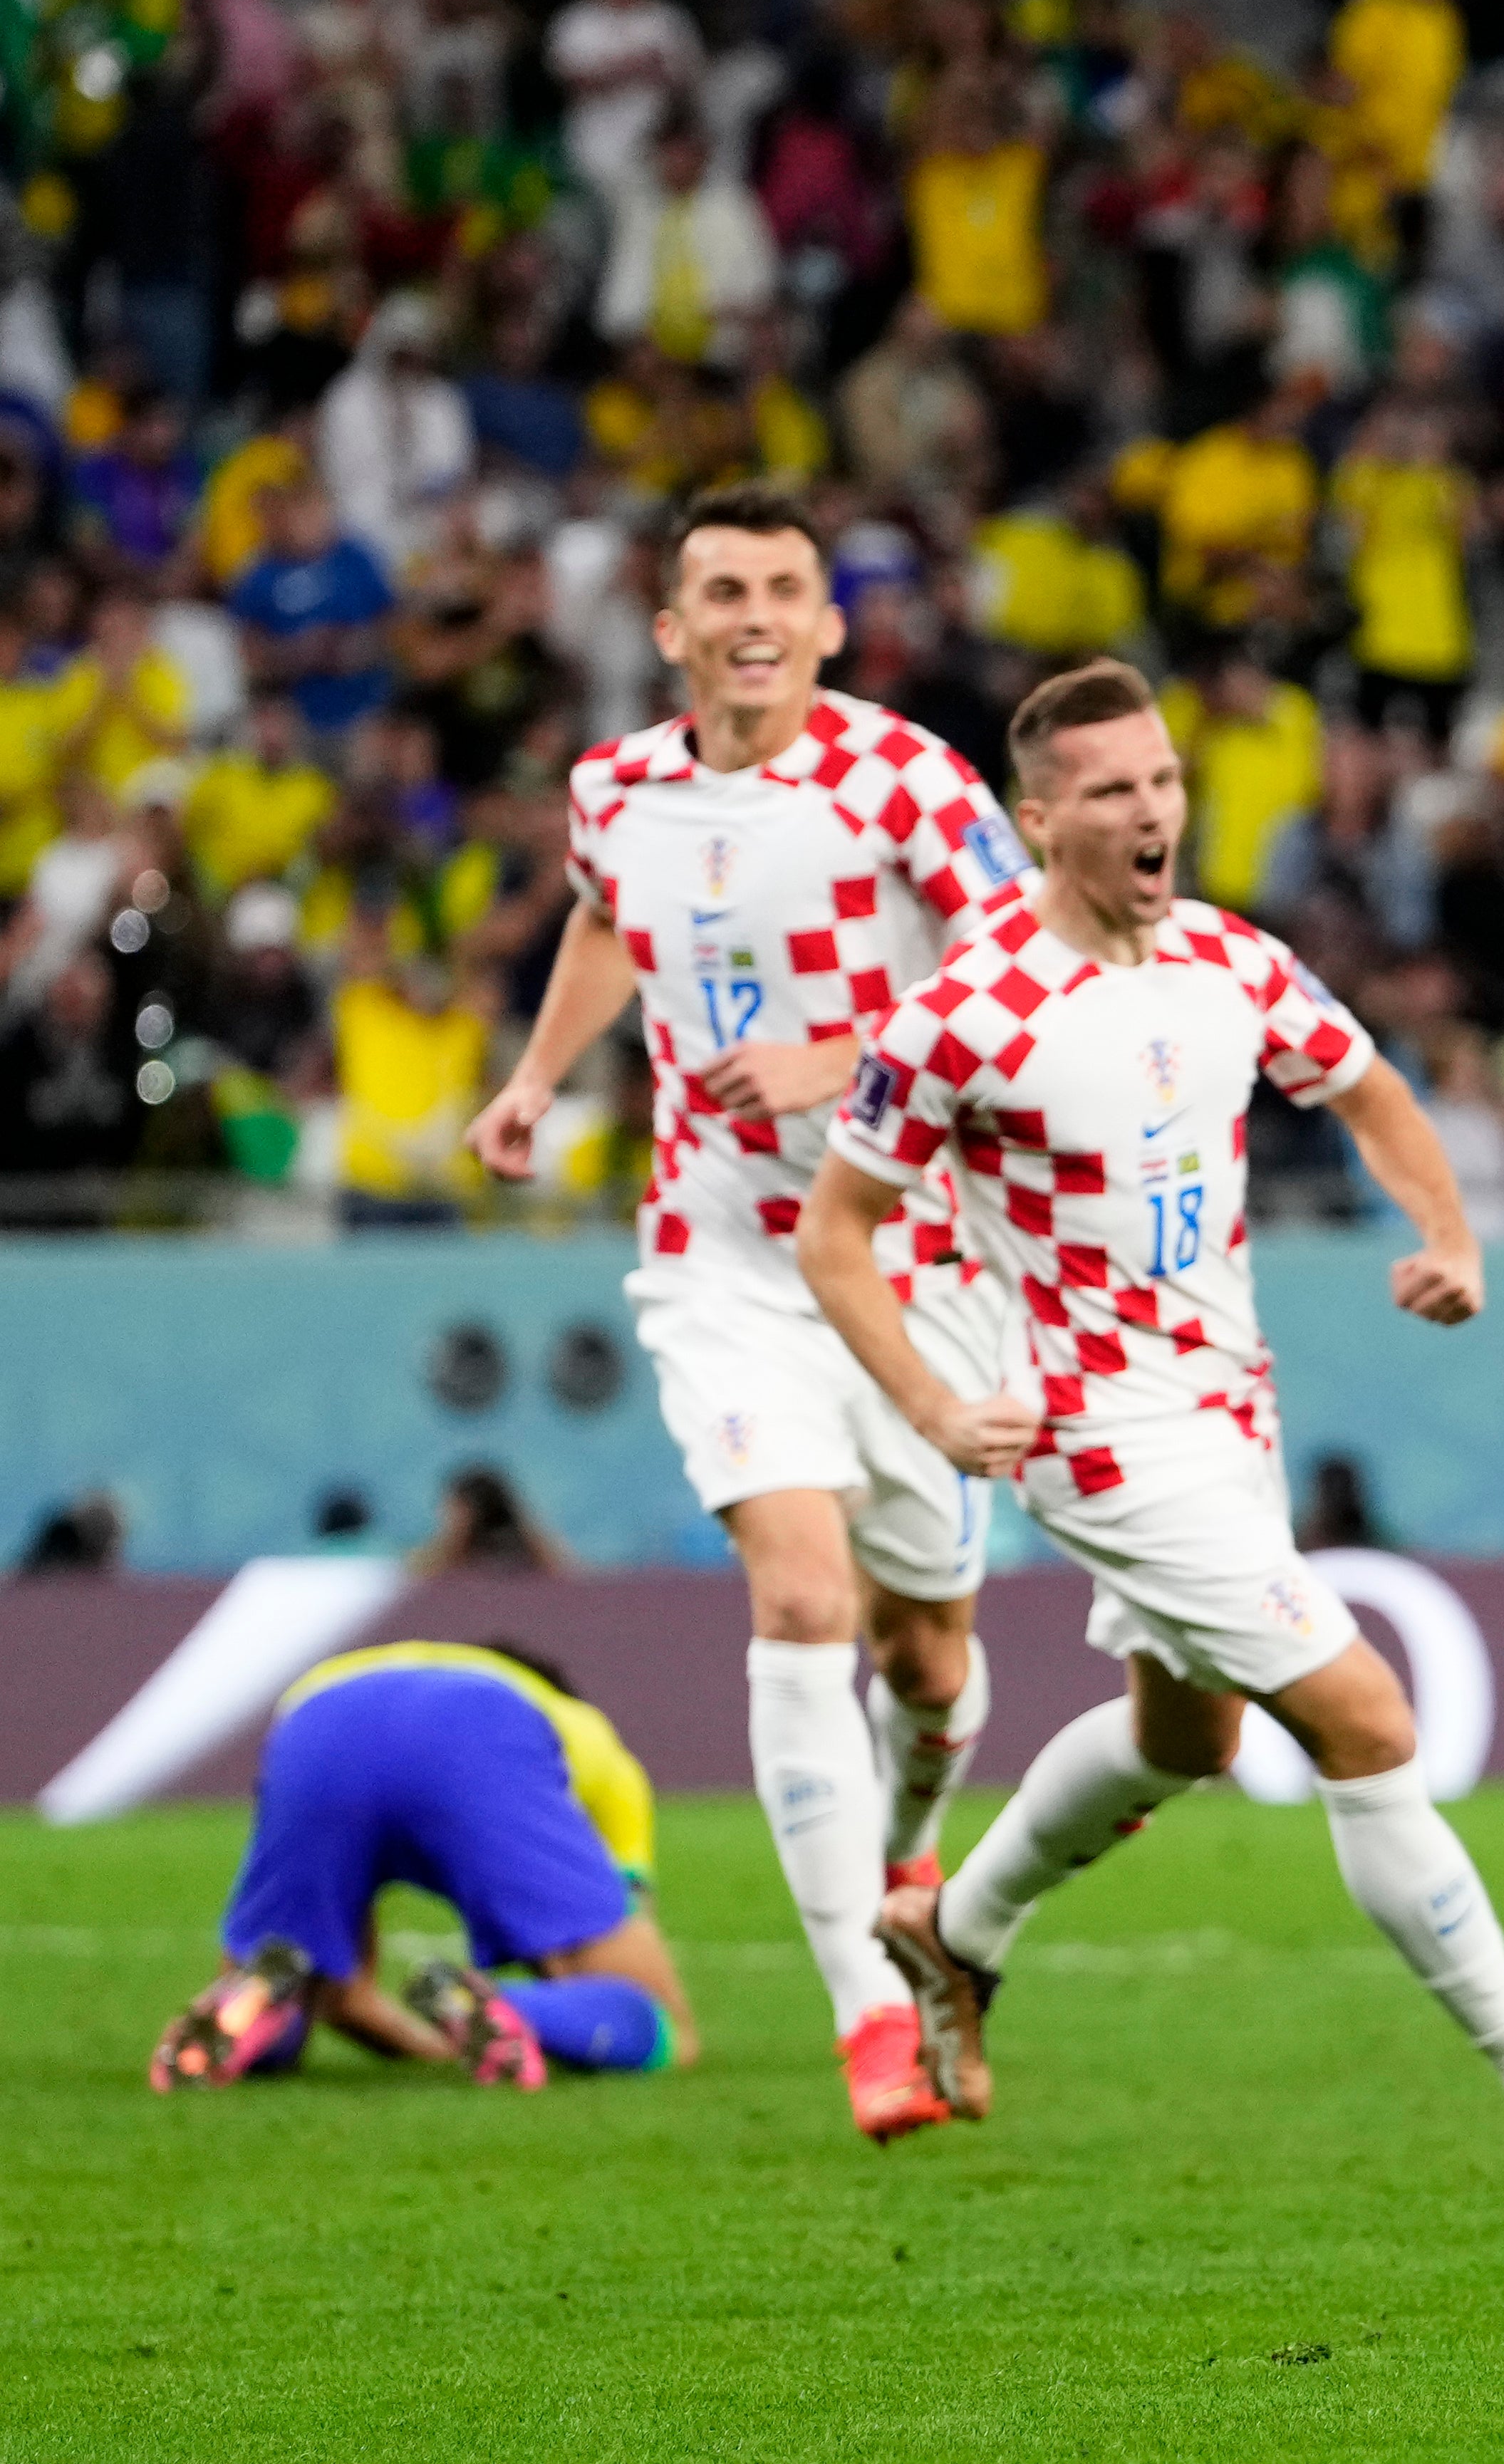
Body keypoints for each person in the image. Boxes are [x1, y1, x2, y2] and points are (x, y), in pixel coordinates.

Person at [800, 660, 1504, 2182]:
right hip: (1094, 1434)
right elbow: (838, 1229)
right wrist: (931, 1401)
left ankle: (955, 1929)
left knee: (1186, 1735)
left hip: (1229, 1408)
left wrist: (1450, 1232)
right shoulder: (961, 1014)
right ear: (1038, 820)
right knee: (1363, 1716)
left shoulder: (1230, 957)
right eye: (1111, 789)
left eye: (1161, 777)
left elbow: (1367, 1090)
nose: (1153, 807)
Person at [462, 489, 1032, 2142]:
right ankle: (873, 2013)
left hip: (917, 1266)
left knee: (931, 1652)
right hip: (721, 1262)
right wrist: (536, 1074)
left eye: (787, 586)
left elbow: (1023, 972)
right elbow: (601, 915)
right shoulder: (615, 788)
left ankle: (913, 1832)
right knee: (802, 1596)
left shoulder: (906, 779)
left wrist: (843, 1064)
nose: (756, 613)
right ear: (671, 629)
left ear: (829, 623)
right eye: (723, 588)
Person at [152, 1642, 700, 2091]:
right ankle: (507, 2004)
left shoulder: (376, 1671)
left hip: (313, 1720)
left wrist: (427, 2046)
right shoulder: (583, 1728)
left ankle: (245, 2008)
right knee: (659, 2018)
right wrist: (509, 2008)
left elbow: (345, 1997)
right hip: (482, 1726)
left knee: (295, 1970)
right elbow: (607, 1941)